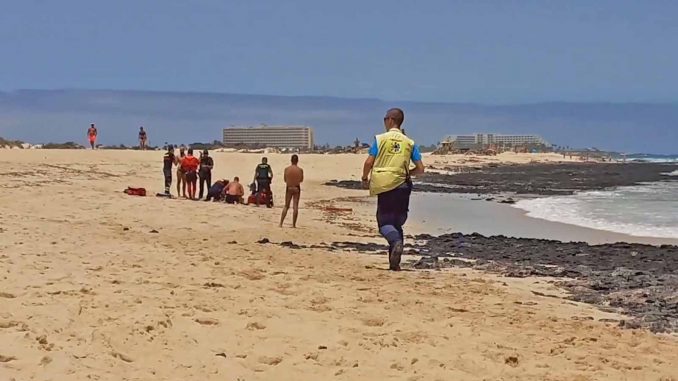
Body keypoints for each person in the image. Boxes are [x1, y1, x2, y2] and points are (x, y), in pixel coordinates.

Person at [362, 108, 425, 271]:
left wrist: (364, 178)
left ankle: (395, 243)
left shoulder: (380, 139)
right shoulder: (409, 142)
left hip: (385, 185)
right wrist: (406, 173)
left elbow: (369, 162)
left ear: (390, 120)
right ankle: (394, 263)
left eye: (385, 119)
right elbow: (420, 168)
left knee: (384, 222)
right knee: (397, 222)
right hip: (403, 185)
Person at [279, 154, 304, 228]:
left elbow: (285, 180)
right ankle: (293, 224)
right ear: (297, 161)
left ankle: (281, 223)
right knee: (295, 207)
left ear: (291, 160)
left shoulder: (287, 169)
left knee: (286, 206)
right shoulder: (300, 170)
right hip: (296, 188)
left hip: (289, 187)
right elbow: (301, 180)